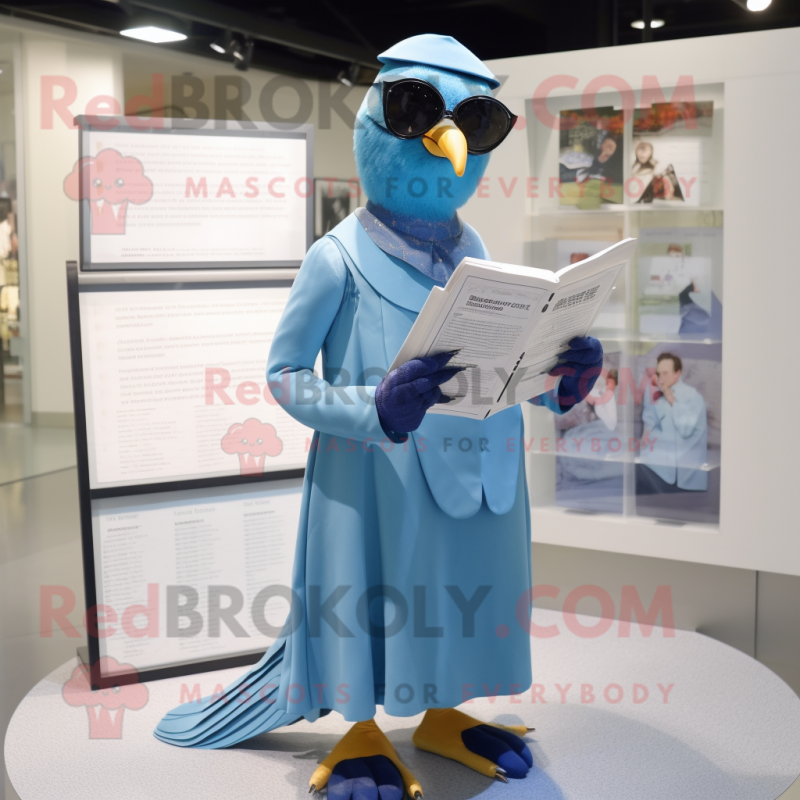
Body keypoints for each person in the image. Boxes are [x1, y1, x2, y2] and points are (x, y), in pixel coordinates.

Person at [637, 352, 708, 494]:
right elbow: (651, 415)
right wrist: (647, 430)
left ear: (678, 373)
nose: (660, 378)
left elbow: (685, 430)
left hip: (683, 466)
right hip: (659, 464)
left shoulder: (692, 396)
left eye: (665, 373)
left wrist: (671, 399)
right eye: (658, 374)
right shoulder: (655, 392)